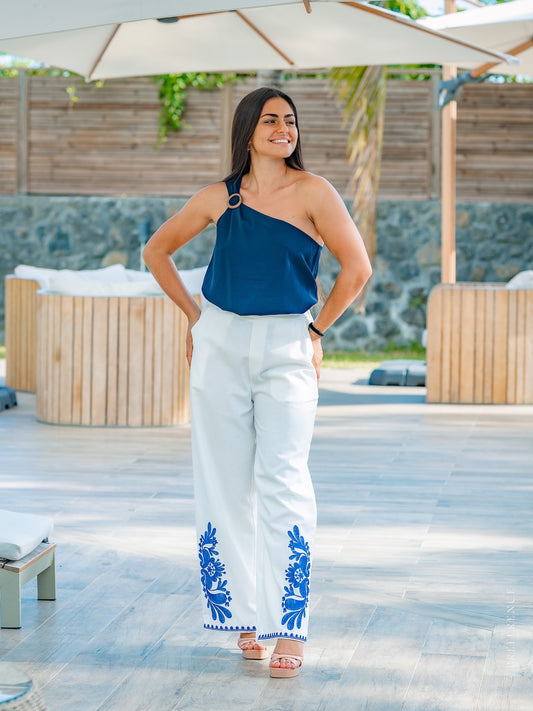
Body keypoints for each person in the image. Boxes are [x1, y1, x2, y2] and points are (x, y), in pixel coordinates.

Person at [143, 86, 372, 679]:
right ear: (247, 129)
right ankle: (243, 615)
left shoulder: (315, 192)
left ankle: (288, 626)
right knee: (223, 483)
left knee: (283, 480)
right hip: (219, 345)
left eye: (290, 121)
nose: (283, 129)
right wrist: (195, 318)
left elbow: (357, 268)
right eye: (270, 120)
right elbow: (156, 251)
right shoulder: (219, 198)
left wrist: (316, 331)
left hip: (287, 345)